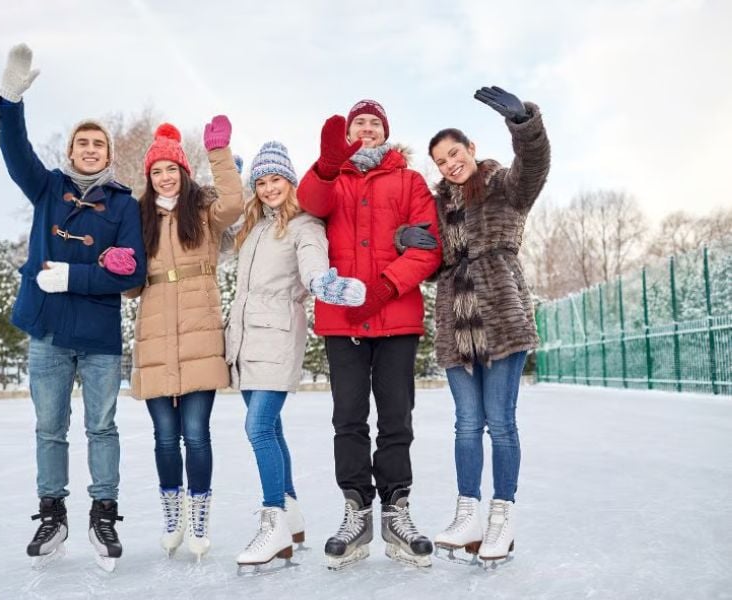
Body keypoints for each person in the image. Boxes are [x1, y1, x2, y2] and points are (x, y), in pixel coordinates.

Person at [0, 44, 147, 566]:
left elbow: (133, 271)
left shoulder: (124, 205)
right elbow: (16, 152)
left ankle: (104, 511)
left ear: (108, 155)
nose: (89, 149)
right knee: (49, 428)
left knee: (102, 427)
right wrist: (8, 102)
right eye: (82, 143)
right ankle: (51, 513)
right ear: (72, 151)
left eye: (97, 144)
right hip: (49, 334)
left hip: (100, 336)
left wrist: (75, 275)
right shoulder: (48, 190)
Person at [399, 86, 550, 566]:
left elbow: (536, 167)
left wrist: (524, 124)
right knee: (467, 424)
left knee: (500, 423)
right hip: (456, 324)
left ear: (471, 150)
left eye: (454, 154)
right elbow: (428, 258)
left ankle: (501, 519)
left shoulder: (502, 185)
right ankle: (468, 513)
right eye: (441, 161)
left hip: (501, 318)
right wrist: (411, 240)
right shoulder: (438, 206)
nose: (449, 164)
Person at [297, 99, 443, 569]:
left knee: (397, 417)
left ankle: (397, 510)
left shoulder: (410, 181)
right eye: (359, 122)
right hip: (342, 321)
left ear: (385, 133)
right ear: (348, 131)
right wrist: (325, 165)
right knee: (349, 418)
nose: (366, 128)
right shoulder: (331, 178)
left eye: (374, 123)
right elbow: (309, 204)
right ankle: (355, 512)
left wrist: (383, 287)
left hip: (396, 316)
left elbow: (428, 246)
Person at [224, 142, 366, 571]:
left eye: (276, 180)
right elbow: (214, 238)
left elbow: (312, 262)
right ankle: (292, 514)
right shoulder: (253, 226)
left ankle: (274, 520)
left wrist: (325, 284)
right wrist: (226, 184)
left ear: (290, 181)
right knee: (271, 427)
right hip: (245, 340)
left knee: (258, 427)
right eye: (261, 182)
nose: (269, 189)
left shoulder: (305, 225)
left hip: (278, 336)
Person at [123, 117, 244, 561]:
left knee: (196, 434)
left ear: (183, 171)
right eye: (156, 171)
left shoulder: (204, 211)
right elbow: (132, 286)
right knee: (163, 437)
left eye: (171, 169)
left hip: (199, 336)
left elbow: (236, 202)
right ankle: (171, 516)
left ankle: (198, 520)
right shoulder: (138, 218)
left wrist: (220, 155)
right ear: (149, 177)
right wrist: (120, 266)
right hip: (155, 337)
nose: (164, 177)